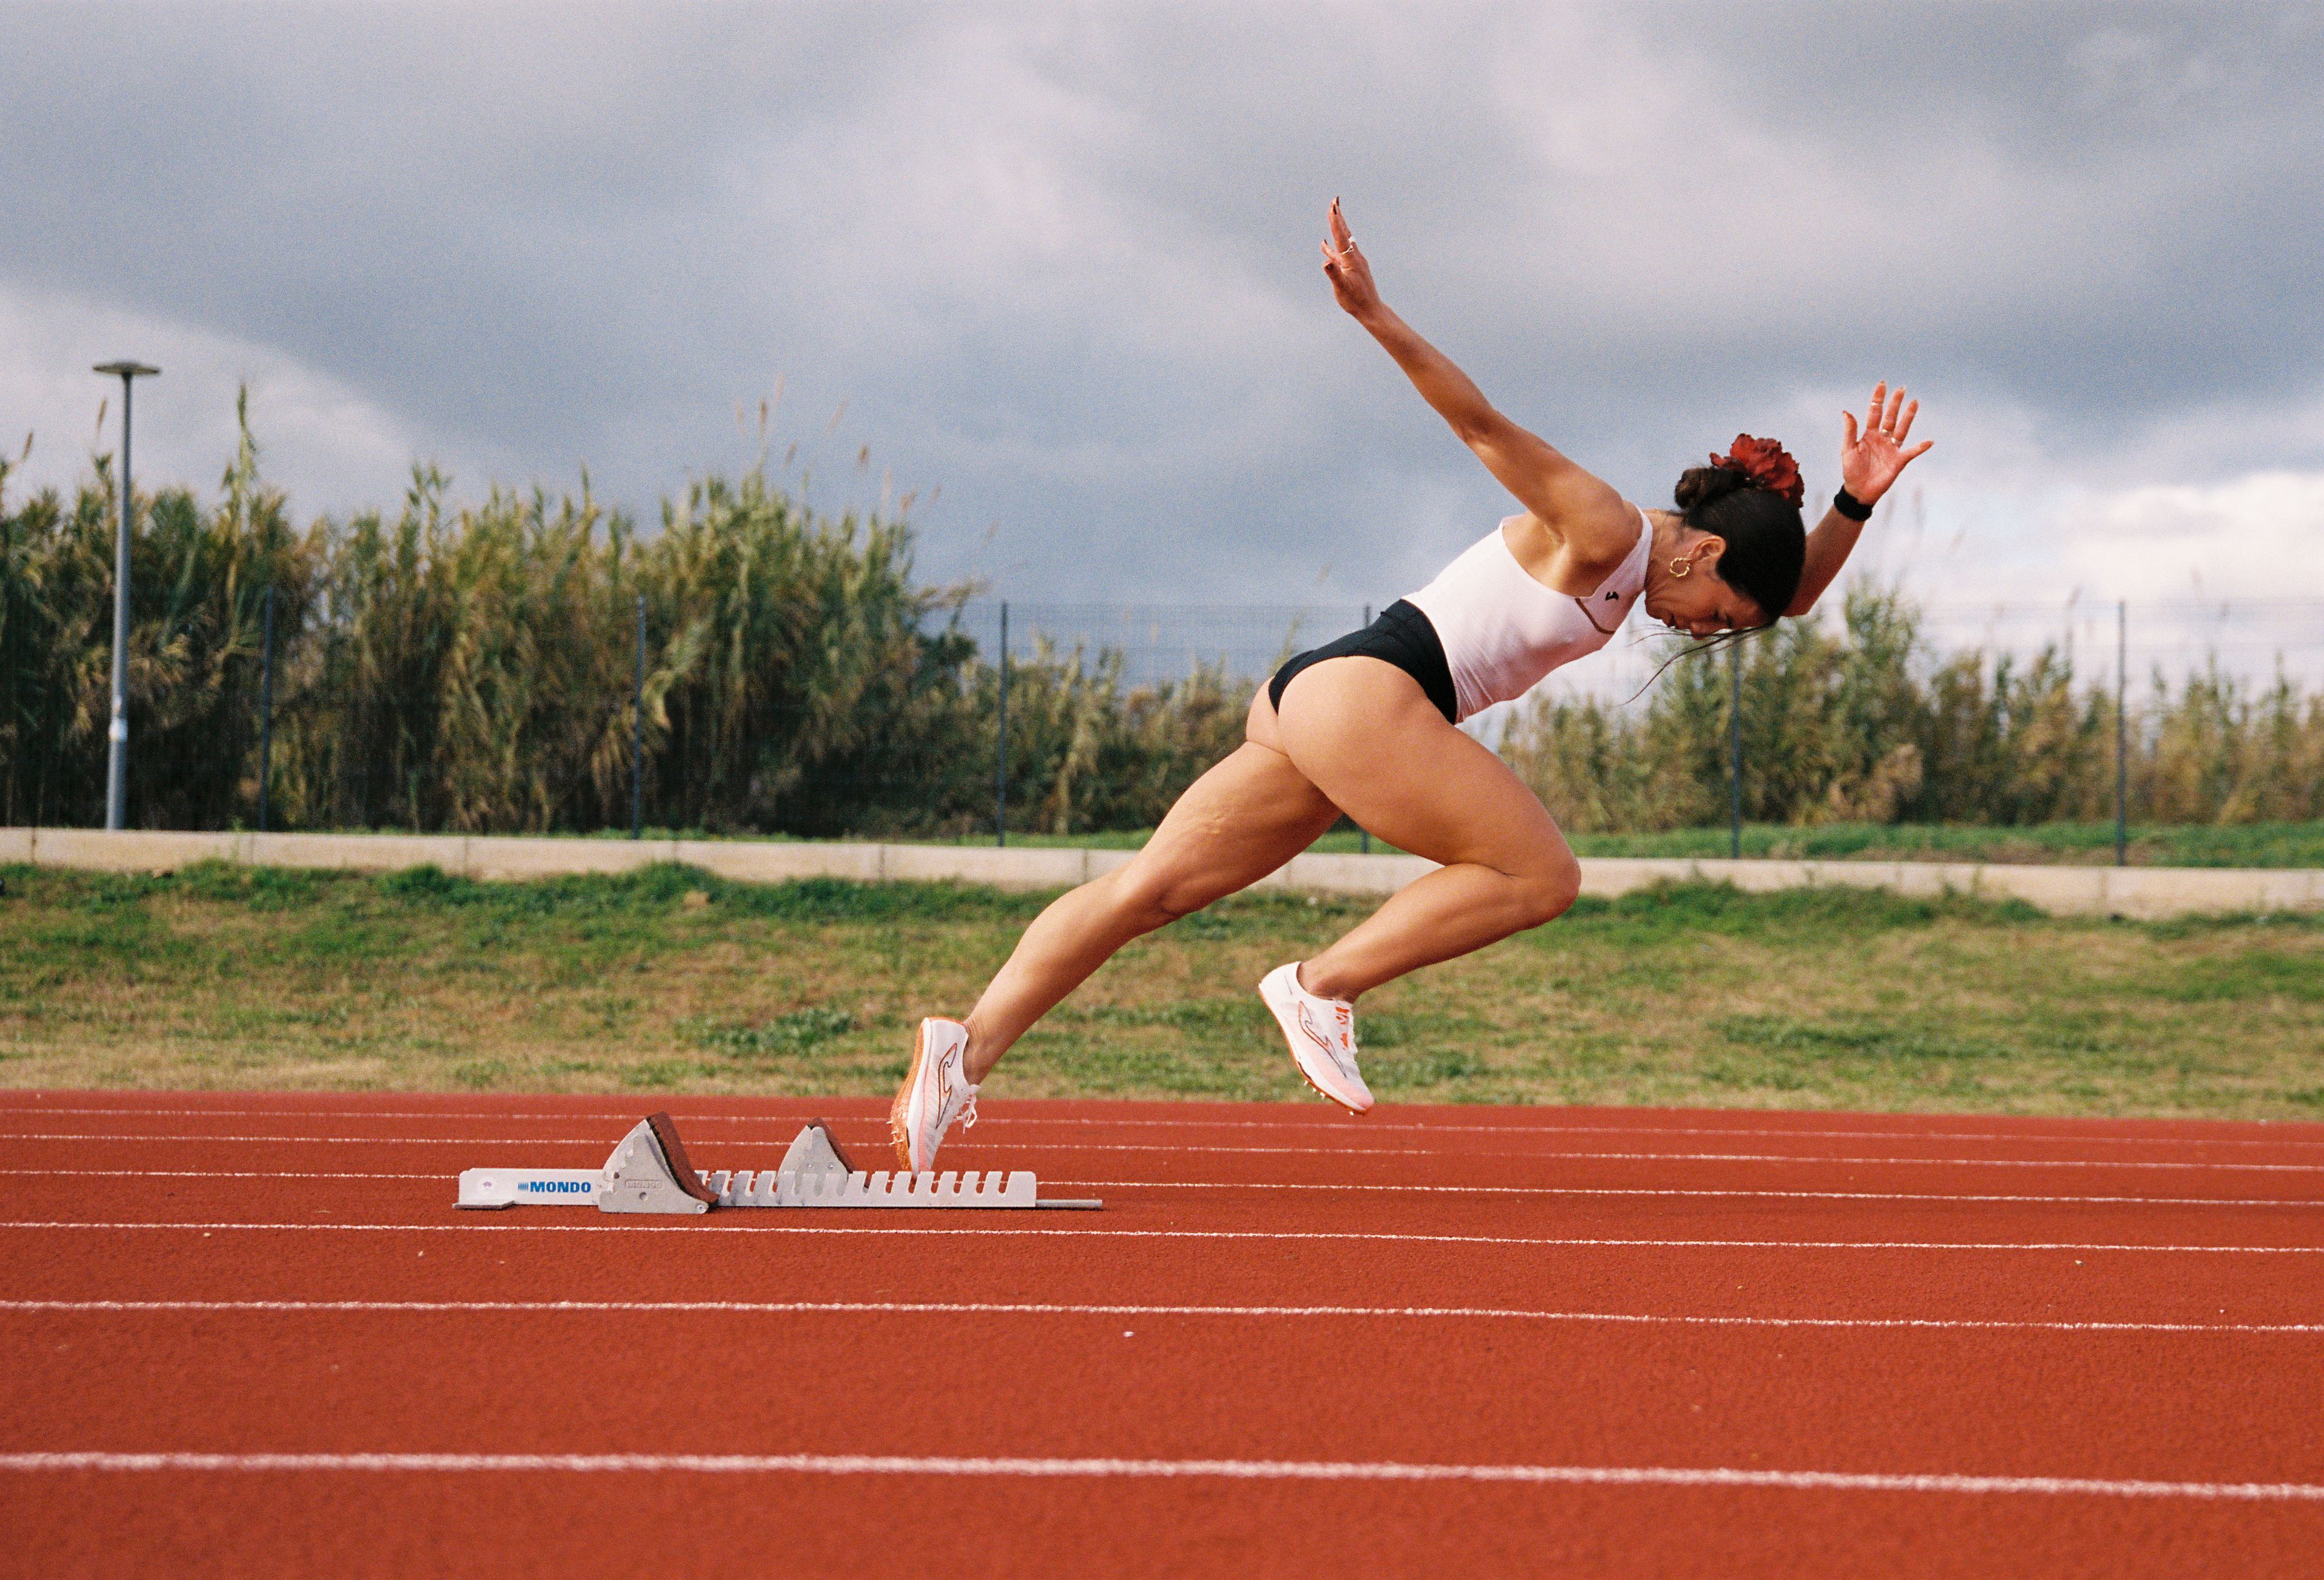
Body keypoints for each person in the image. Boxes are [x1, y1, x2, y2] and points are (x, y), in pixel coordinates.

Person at [891, 198, 1932, 1168]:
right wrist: (1374, 315)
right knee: (1540, 876)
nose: (1706, 633)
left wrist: (1850, 501)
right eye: (1718, 617)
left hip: (1323, 696)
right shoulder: (1608, 528)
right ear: (1702, 555)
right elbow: (1481, 425)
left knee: (1148, 891)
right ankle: (1318, 985)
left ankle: (960, 1050)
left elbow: (1787, 597)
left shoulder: (1677, 569)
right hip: (1378, 691)